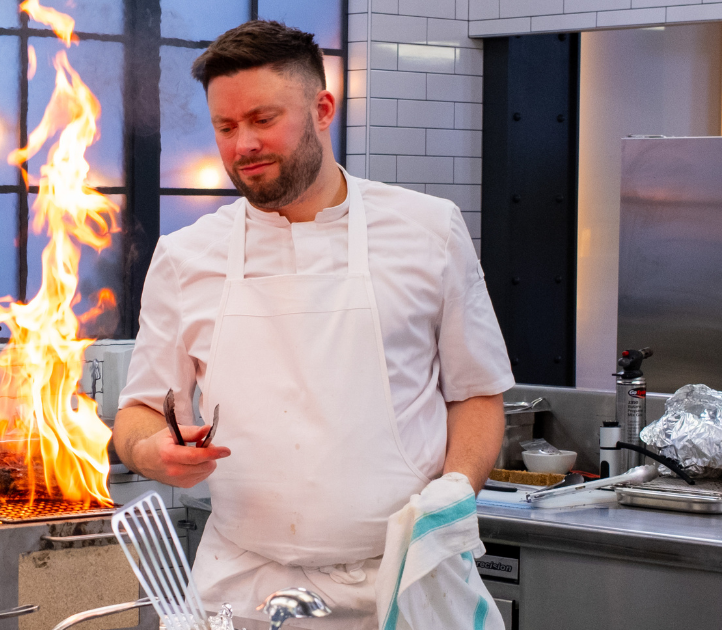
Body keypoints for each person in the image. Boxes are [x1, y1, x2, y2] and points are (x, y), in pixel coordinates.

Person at [112, 20, 514, 630]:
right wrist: (151, 451)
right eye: (226, 127)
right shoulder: (186, 255)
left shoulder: (428, 230)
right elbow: (138, 412)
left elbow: (477, 394)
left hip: (403, 582)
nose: (242, 144)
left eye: (263, 120)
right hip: (241, 589)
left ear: (321, 108)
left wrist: (452, 494)